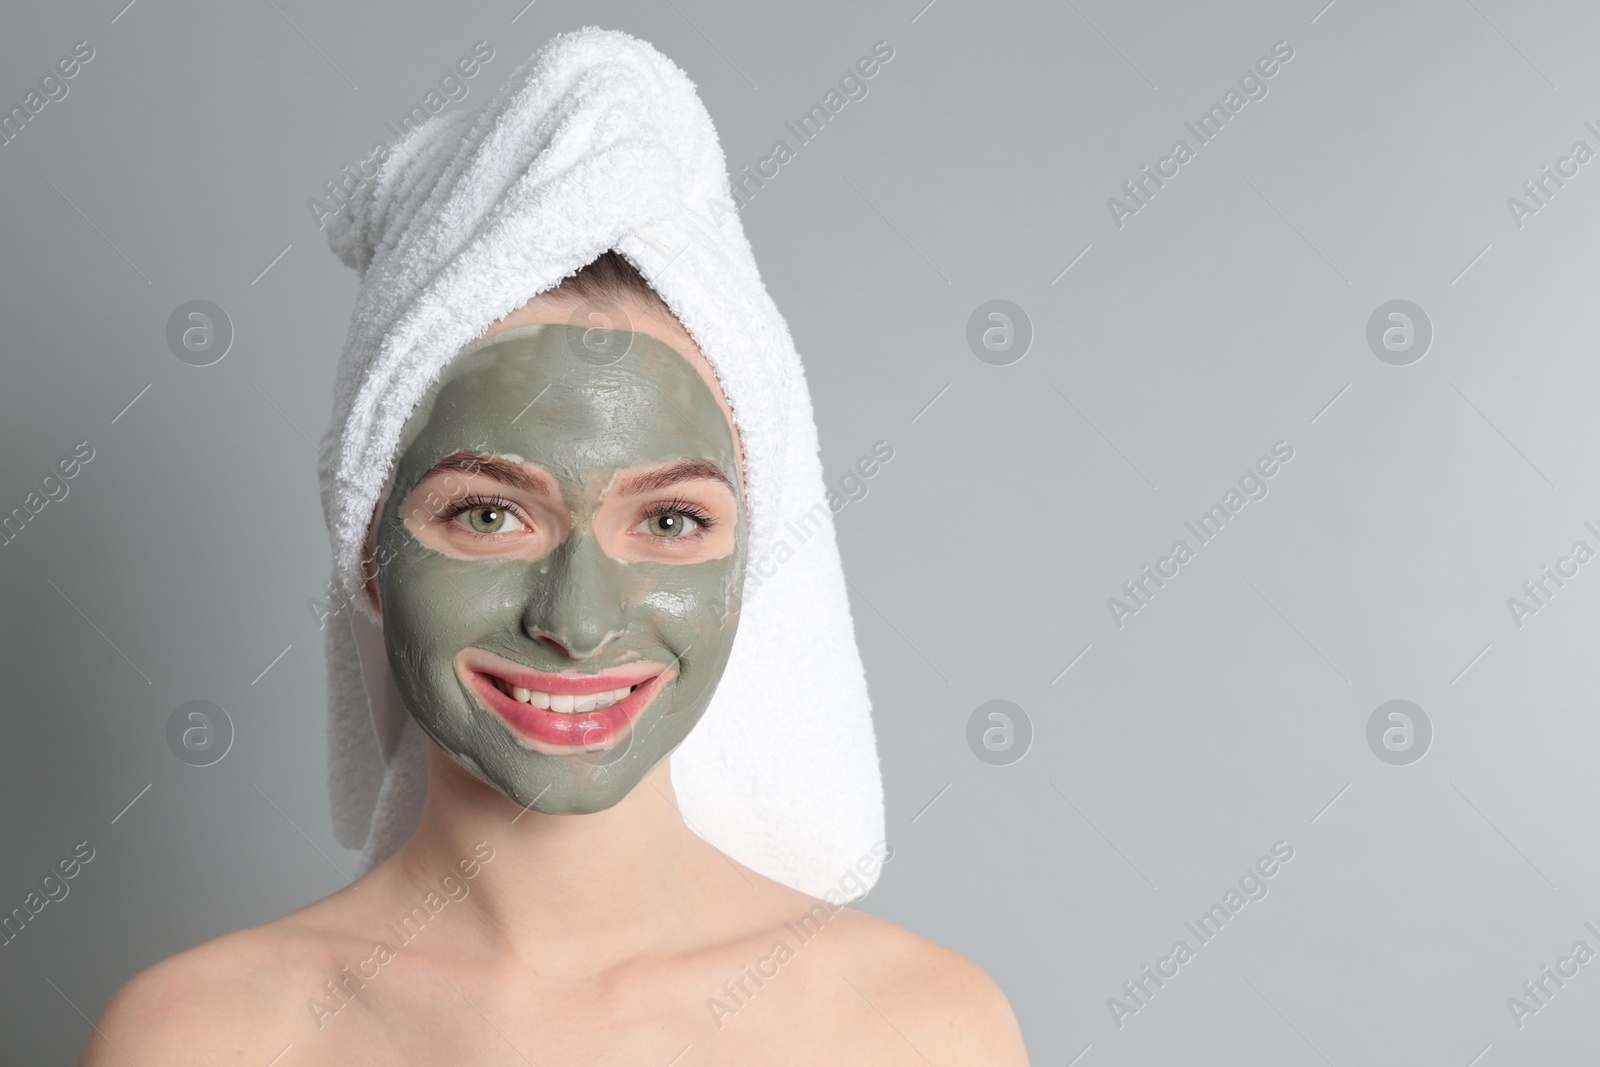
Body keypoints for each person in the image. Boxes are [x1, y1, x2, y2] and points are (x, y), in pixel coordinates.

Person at [81, 30, 1029, 1066]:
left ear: (748, 562)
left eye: (669, 521)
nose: (575, 620)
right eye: (489, 513)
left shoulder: (912, 1030)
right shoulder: (203, 1038)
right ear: (366, 552)